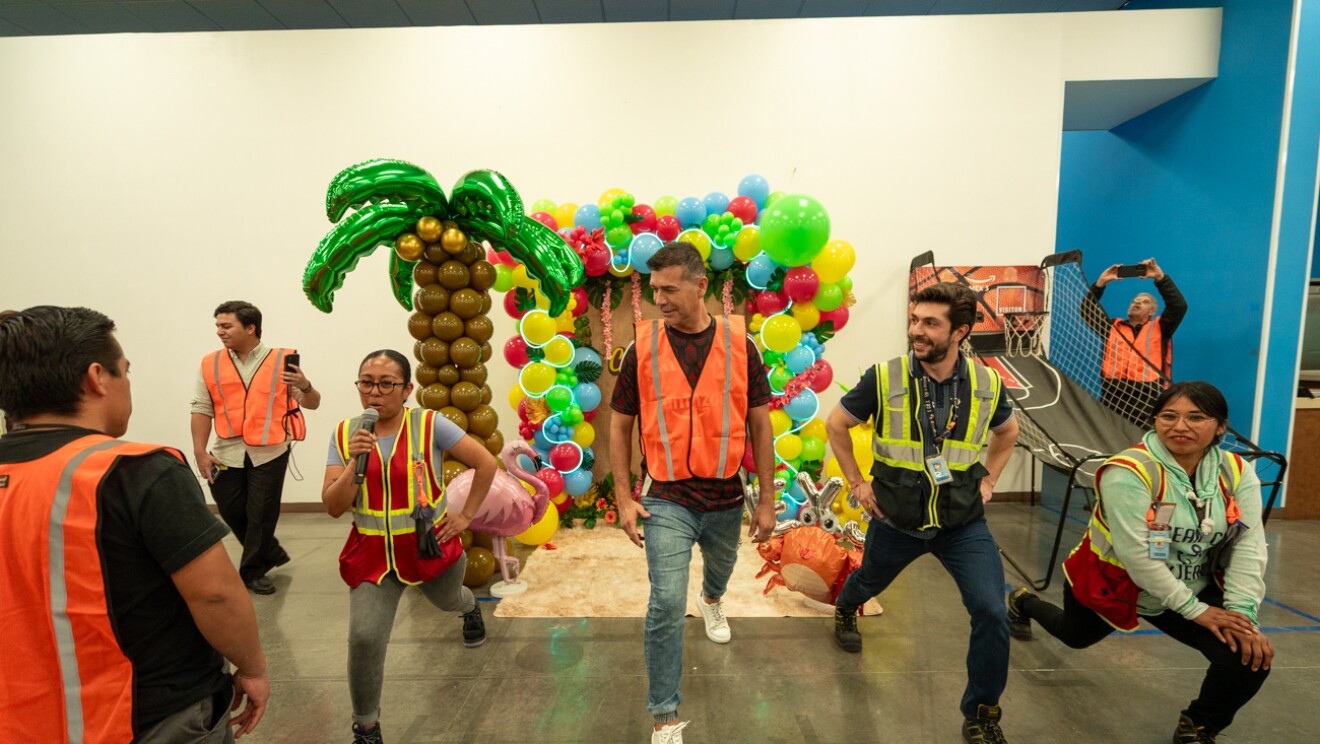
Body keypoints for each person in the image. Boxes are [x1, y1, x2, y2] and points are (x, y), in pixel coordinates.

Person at [0, 306, 268, 742]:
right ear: (96, 378)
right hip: (145, 713)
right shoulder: (137, 471)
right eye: (124, 371)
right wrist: (253, 667)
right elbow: (215, 594)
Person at [1007, 381, 1270, 744]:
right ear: (1154, 421)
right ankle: (1024, 602)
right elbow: (1138, 556)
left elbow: (1249, 546)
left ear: (1221, 426)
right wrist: (1194, 611)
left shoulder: (1237, 471)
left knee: (1246, 655)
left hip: (1187, 584)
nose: (1181, 426)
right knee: (1074, 636)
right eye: (1169, 416)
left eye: (1196, 417)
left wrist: (1243, 615)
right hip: (1114, 581)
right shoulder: (1128, 471)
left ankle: (1198, 725)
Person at [827, 282, 1020, 744]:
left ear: (961, 332)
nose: (917, 330)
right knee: (868, 580)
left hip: (962, 524)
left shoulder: (987, 383)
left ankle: (981, 714)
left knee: (992, 611)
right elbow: (837, 423)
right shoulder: (886, 376)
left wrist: (989, 479)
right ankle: (846, 608)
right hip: (896, 519)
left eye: (930, 323)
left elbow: (1007, 433)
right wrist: (857, 481)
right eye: (915, 320)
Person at [609, 241, 778, 744]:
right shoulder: (641, 349)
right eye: (654, 289)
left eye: (669, 288)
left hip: (726, 494)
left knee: (720, 570)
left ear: (701, 285)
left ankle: (712, 598)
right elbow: (619, 428)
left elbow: (761, 427)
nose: (659, 299)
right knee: (664, 601)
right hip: (665, 495)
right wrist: (623, 496)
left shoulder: (740, 346)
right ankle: (664, 716)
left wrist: (766, 498)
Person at [322, 349, 494, 744]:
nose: (374, 393)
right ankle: (366, 727)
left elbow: (484, 464)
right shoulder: (345, 434)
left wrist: (465, 517)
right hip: (371, 557)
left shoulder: (430, 424)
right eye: (366, 382)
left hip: (428, 548)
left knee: (449, 600)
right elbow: (333, 506)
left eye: (386, 384)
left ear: (407, 390)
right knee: (364, 638)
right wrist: (355, 462)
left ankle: (469, 609)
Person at [191, 300, 321, 595]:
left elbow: (313, 403)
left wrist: (305, 384)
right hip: (226, 451)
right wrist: (200, 451)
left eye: (226, 326)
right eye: (217, 326)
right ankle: (270, 552)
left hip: (271, 450)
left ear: (250, 328)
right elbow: (201, 407)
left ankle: (252, 571)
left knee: (261, 513)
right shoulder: (209, 363)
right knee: (231, 508)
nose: (219, 332)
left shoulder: (283, 360)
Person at [1081, 258, 1187, 427]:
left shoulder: (1161, 326)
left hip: (1147, 397)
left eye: (1144, 301)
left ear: (1152, 311)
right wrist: (1101, 283)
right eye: (1134, 300)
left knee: (1140, 439)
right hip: (1112, 395)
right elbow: (1087, 310)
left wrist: (1160, 278)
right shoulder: (1112, 327)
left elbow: (1179, 306)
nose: (1137, 302)